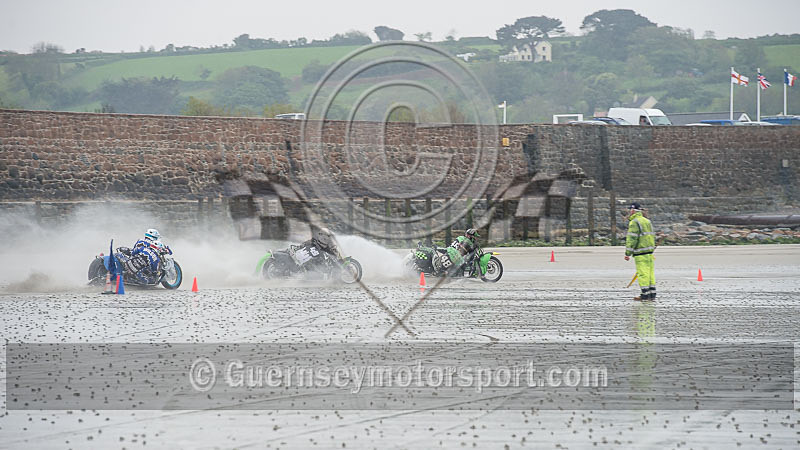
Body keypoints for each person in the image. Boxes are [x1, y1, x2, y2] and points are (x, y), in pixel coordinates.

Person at [624, 203, 656, 301]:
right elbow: (651, 236)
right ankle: (652, 293)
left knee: (643, 274)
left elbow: (632, 238)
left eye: (630, 210)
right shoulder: (647, 221)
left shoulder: (634, 222)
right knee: (650, 273)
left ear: (633, 210)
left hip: (640, 253)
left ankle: (645, 294)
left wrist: (628, 253)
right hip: (649, 252)